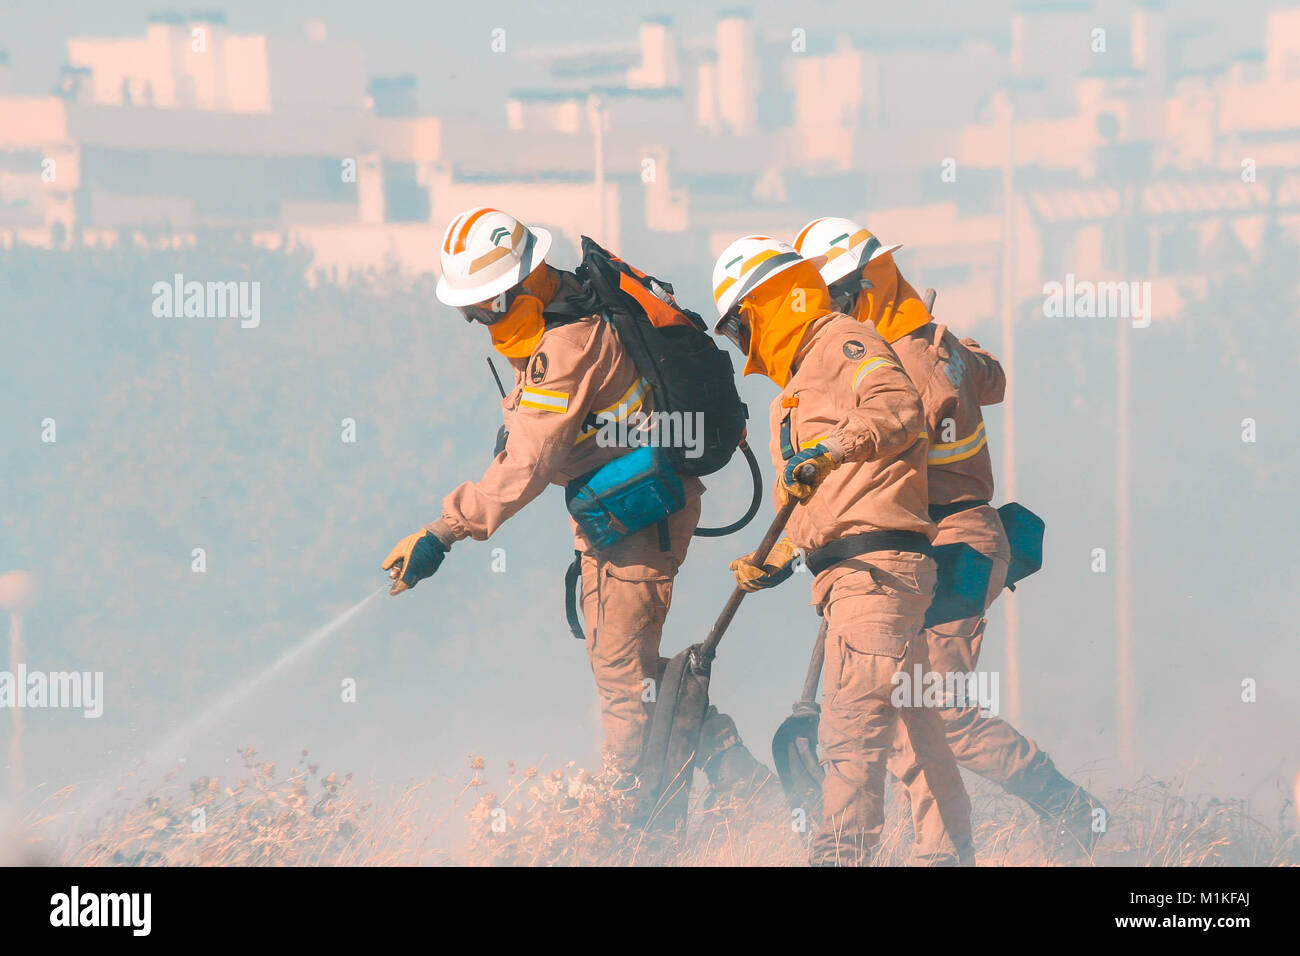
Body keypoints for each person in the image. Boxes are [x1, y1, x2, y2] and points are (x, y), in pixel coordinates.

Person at [383, 206, 764, 803]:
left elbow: (528, 464)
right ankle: (726, 763)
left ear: (519, 288)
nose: (473, 317)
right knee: (622, 664)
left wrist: (443, 532)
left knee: (620, 671)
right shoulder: (563, 313)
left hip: (643, 511)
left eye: (481, 304)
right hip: (618, 508)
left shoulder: (567, 345)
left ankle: (626, 801)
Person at [794, 216, 1106, 853]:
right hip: (930, 540)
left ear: (861, 287)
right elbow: (992, 380)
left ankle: (1073, 810)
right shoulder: (925, 344)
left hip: (948, 539)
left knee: (942, 713)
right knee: (913, 710)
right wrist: (952, 349)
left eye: (835, 297)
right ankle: (939, 849)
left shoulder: (901, 357)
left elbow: (900, 429)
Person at [712, 235, 973, 865]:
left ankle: (840, 856)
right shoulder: (796, 390)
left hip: (875, 573)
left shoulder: (843, 343)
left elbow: (898, 405)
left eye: (737, 328)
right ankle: (948, 854)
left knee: (850, 732)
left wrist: (832, 450)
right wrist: (771, 559)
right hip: (852, 576)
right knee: (917, 735)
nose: (741, 347)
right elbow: (809, 499)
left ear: (765, 305)